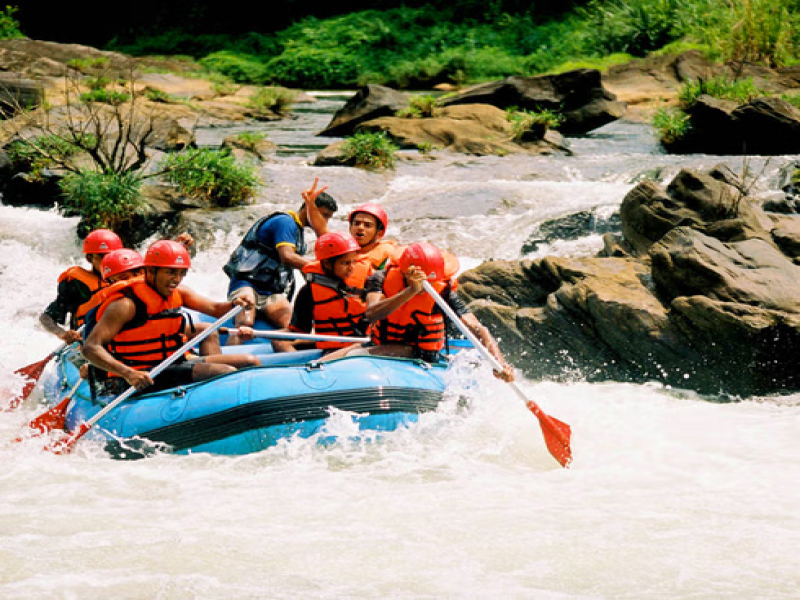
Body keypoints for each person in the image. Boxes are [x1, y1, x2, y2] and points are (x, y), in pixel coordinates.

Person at [83, 240, 260, 397]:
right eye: (170, 273)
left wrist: (236, 304)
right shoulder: (125, 305)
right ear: (150, 270)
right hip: (139, 375)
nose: (176, 279)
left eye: (181, 273)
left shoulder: (179, 292)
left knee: (250, 361)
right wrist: (128, 373)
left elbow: (215, 308)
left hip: (170, 363)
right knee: (224, 372)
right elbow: (90, 348)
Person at [362, 242, 515, 381]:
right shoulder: (381, 278)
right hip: (381, 344)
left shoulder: (442, 291)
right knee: (340, 355)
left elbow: (477, 328)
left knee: (357, 355)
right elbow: (372, 314)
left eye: (432, 281)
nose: (427, 286)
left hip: (421, 353)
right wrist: (411, 291)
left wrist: (500, 365)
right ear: (407, 273)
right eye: (424, 281)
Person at [223, 179, 337, 344]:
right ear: (308, 208)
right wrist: (318, 268)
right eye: (323, 215)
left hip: (271, 293)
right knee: (245, 322)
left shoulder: (300, 236)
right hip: (246, 284)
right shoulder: (285, 222)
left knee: (293, 325)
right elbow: (287, 257)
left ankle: (287, 354)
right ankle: (230, 358)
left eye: (328, 217)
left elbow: (301, 270)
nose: (324, 221)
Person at [276, 232, 368, 357]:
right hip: (332, 345)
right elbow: (300, 331)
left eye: (354, 262)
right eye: (345, 263)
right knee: (277, 340)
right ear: (327, 264)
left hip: (363, 343)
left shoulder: (368, 282)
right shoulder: (308, 292)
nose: (351, 268)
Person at [40, 228, 124, 344]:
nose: (108, 262)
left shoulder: (128, 278)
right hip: (88, 343)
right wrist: (63, 334)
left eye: (111, 256)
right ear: (89, 258)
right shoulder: (78, 286)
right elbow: (46, 318)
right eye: (102, 257)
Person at [347, 202, 403, 286]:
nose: (360, 227)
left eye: (367, 225)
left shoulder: (388, 256)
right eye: (356, 223)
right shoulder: (340, 251)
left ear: (379, 233)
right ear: (350, 227)